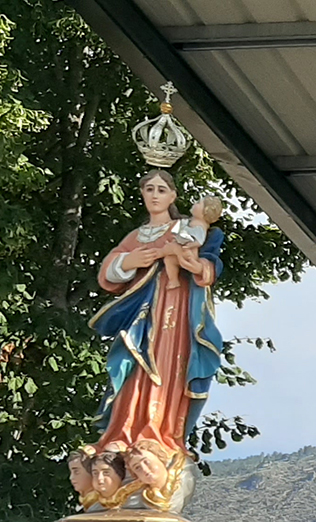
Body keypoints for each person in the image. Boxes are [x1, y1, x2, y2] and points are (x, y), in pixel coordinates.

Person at [91, 170, 224, 457]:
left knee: (169, 364)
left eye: (161, 190)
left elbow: (208, 263)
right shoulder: (135, 236)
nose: (154, 195)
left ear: (173, 196)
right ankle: (122, 431)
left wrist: (197, 267)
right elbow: (109, 270)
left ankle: (161, 431)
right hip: (141, 312)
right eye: (149, 189)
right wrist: (130, 260)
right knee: (132, 364)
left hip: (176, 310)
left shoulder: (184, 228)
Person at [161, 196, 222, 293]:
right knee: (169, 260)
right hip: (160, 278)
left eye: (198, 203)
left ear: (205, 212)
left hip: (188, 276)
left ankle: (174, 281)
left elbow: (210, 258)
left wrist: (201, 268)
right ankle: (173, 280)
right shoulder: (183, 223)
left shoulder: (209, 231)